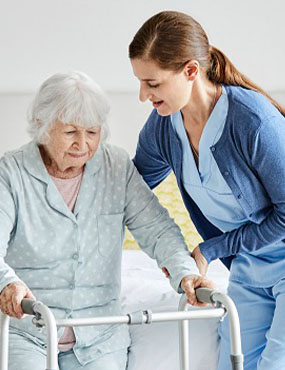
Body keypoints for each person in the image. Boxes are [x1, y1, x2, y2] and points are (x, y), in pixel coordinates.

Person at [0, 71, 213, 370]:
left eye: (92, 132)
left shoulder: (116, 167)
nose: (83, 144)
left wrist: (186, 273)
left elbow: (156, 228)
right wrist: (7, 283)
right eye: (71, 132)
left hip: (100, 335)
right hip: (27, 330)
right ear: (41, 126)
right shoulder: (10, 173)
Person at [129, 10, 285, 370]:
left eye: (152, 84)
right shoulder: (164, 127)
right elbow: (130, 191)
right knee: (233, 365)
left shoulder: (254, 122)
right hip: (249, 269)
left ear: (191, 71)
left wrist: (210, 249)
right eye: (139, 82)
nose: (142, 95)